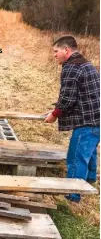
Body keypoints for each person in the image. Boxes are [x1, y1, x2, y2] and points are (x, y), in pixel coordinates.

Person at [44, 35, 100, 203]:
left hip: (87, 121)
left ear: (66, 50)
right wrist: (56, 108)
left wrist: (54, 114)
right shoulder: (85, 63)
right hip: (96, 119)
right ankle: (89, 180)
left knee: (76, 156)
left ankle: (73, 194)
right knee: (88, 152)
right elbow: (79, 94)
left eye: (56, 51)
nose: (54, 55)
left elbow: (67, 98)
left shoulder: (72, 68)